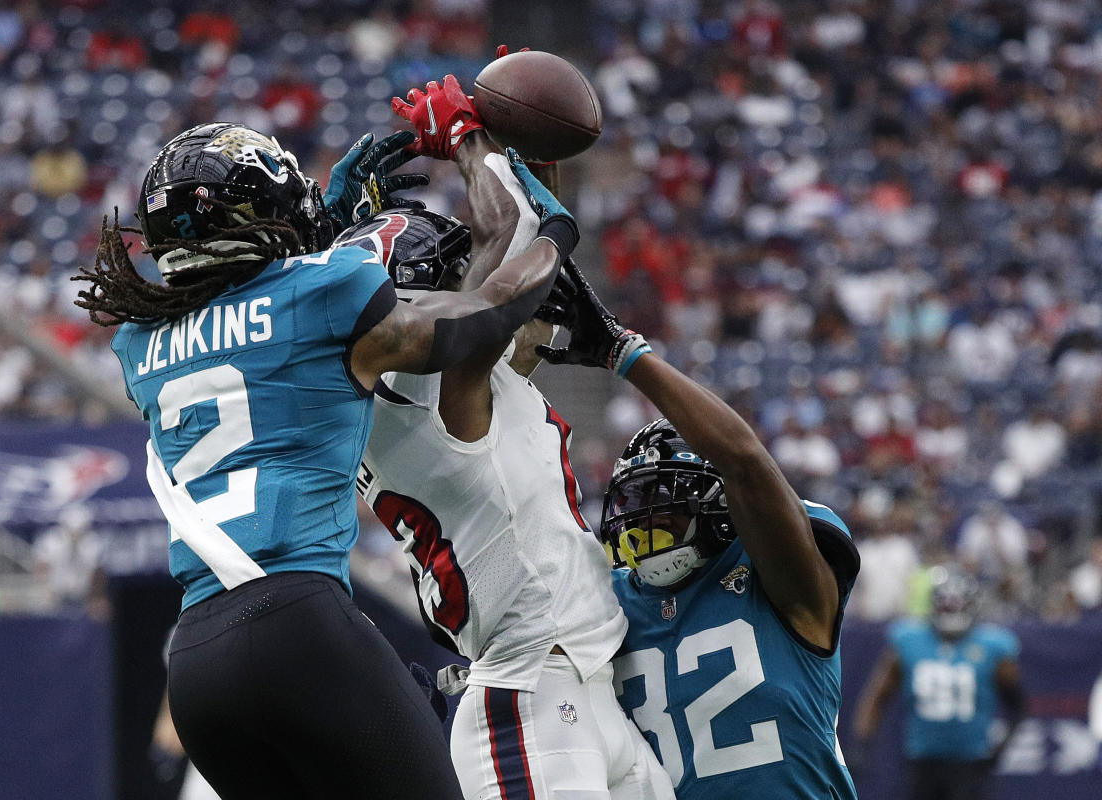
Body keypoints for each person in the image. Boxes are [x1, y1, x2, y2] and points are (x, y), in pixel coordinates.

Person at [73, 117, 578, 799]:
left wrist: (318, 221)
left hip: (195, 664)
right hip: (297, 623)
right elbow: (485, 311)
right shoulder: (326, 290)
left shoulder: (140, 341)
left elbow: (246, 320)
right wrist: (550, 233)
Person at [345, 73, 675, 800]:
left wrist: (527, 155)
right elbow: (519, 236)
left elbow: (522, 264)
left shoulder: (416, 387)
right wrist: (468, 139)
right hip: (530, 694)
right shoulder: (437, 390)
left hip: (579, 685)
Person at [538, 261, 861, 798]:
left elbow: (745, 463)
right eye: (637, 506)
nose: (646, 525)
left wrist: (625, 354)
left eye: (664, 507)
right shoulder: (608, 598)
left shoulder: (779, 583)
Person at [852, 565, 1024, 800]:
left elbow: (1017, 704)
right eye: (946, 601)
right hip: (922, 762)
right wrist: (862, 743)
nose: (951, 607)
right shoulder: (908, 640)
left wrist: (1001, 743)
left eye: (957, 602)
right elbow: (876, 697)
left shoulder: (992, 645)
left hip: (971, 763)